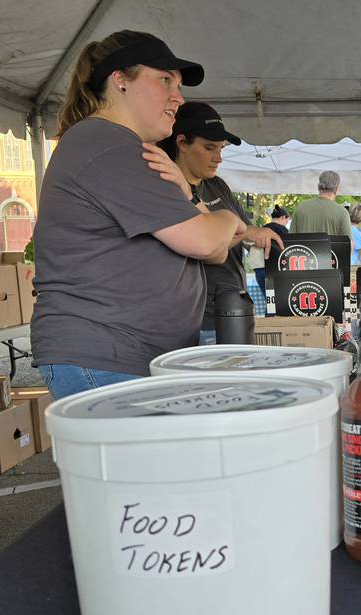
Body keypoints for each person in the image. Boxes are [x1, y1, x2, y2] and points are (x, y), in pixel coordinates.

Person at [30, 30, 249, 400]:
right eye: (165, 80)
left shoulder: (126, 147)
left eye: (179, 85)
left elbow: (216, 253)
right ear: (120, 81)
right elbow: (208, 240)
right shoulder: (108, 145)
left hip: (123, 356)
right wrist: (232, 220)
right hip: (105, 355)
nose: (178, 97)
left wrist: (191, 196)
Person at [157, 102, 282, 344]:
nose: (218, 158)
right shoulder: (168, 190)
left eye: (221, 148)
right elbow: (212, 249)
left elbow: (242, 229)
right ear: (182, 143)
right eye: (209, 148)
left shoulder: (216, 185)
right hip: (198, 321)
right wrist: (235, 232)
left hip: (235, 310)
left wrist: (257, 233)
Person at [291, 171, 351, 237]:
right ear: (336, 189)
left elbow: (290, 239)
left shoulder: (301, 207)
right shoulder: (342, 212)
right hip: (331, 248)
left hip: (304, 247)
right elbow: (349, 244)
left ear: (318, 187)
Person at [250, 204, 290, 298]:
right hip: (274, 270)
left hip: (259, 269)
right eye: (287, 220)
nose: (287, 223)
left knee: (269, 301)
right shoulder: (283, 230)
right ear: (283, 217)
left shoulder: (261, 229)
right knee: (277, 301)